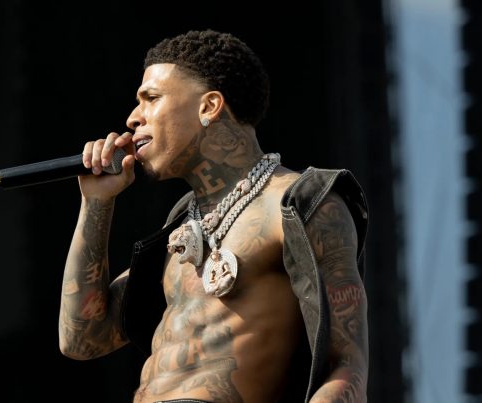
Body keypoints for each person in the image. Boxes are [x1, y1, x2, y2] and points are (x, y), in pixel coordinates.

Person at [57, 29, 370, 403]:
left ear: (209, 106)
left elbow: (345, 366)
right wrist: (96, 203)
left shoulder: (299, 202)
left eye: (151, 99)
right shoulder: (181, 228)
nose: (133, 118)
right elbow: (81, 339)